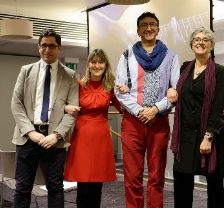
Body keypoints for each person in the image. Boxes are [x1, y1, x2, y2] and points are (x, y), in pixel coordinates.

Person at [114, 12, 180, 208]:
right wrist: (141, 112)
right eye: (144, 25)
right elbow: (119, 90)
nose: (148, 28)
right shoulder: (127, 55)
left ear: (158, 29)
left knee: (156, 176)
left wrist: (155, 109)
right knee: (132, 176)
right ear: (138, 30)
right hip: (132, 122)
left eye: (152, 24)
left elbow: (175, 91)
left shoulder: (171, 56)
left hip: (158, 122)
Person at [11, 29, 79, 208]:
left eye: (51, 46)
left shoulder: (70, 75)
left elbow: (72, 112)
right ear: (38, 47)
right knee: (22, 188)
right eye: (43, 46)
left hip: (54, 140)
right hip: (27, 137)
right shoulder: (26, 71)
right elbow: (16, 104)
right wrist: (30, 131)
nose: (47, 50)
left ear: (59, 48)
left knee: (55, 188)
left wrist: (56, 134)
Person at [170, 27, 224, 208]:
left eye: (205, 39)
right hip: (185, 137)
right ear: (191, 44)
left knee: (215, 188)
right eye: (197, 39)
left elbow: (218, 107)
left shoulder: (220, 72)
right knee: (182, 188)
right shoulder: (184, 69)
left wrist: (208, 137)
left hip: (209, 137)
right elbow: (174, 92)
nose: (200, 42)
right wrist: (171, 90)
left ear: (211, 45)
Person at [64, 49, 121, 208]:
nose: (97, 65)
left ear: (105, 65)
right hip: (82, 137)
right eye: (93, 62)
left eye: (100, 62)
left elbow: (123, 108)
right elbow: (62, 104)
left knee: (97, 187)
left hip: (101, 137)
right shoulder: (79, 84)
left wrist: (125, 90)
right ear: (88, 64)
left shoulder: (111, 85)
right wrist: (66, 107)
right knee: (83, 187)